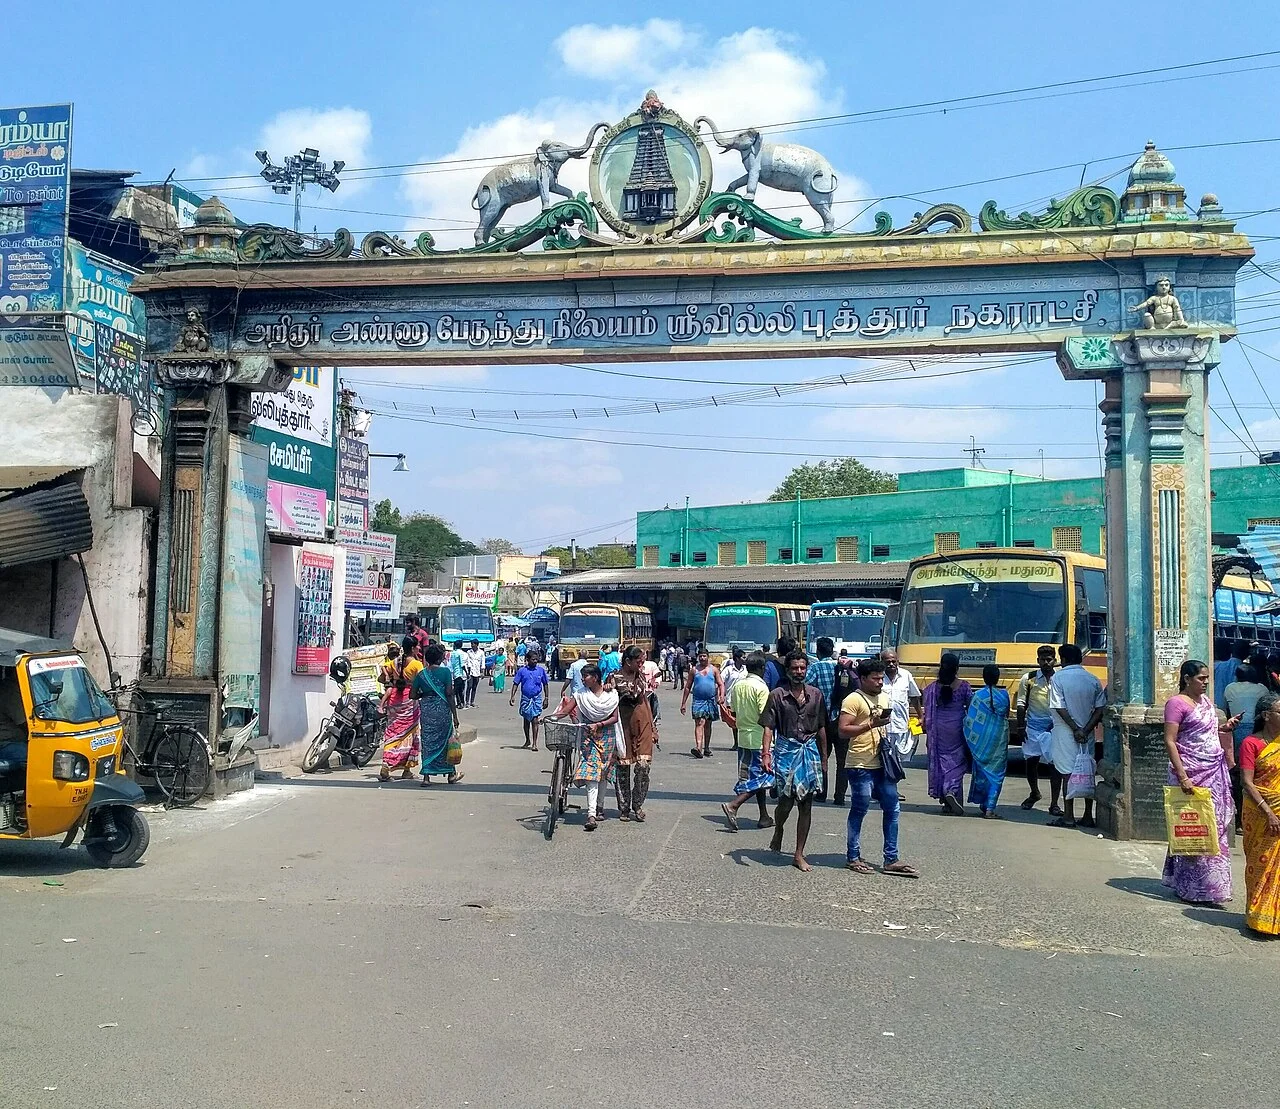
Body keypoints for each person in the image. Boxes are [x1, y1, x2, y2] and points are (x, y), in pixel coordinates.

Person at [1162, 659, 1239, 905]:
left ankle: (1213, 887)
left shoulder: (1206, 703)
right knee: (1192, 827)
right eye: (1201, 679)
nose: (1205, 683)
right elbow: (1170, 741)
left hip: (1212, 771)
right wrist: (1183, 775)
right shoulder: (1176, 704)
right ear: (1187, 678)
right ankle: (1189, 886)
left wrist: (1225, 728)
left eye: (1206, 679)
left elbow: (1210, 733)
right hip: (1190, 771)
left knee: (1215, 827)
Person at [840, 657, 919, 878]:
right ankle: (853, 856)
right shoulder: (853, 700)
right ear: (863, 678)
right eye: (875, 679)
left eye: (881, 678)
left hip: (882, 764)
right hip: (859, 764)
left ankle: (891, 858)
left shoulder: (884, 697)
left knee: (893, 809)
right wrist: (869, 724)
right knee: (860, 809)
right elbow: (843, 730)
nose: (880, 682)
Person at [761, 649, 829, 872]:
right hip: (785, 751)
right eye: (794, 668)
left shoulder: (816, 695)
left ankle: (798, 854)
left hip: (809, 752)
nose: (799, 672)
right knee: (786, 802)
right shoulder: (777, 695)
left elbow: (821, 728)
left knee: (806, 804)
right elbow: (769, 728)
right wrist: (766, 754)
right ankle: (779, 827)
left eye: (802, 668)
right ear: (788, 670)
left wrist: (825, 759)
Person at [549, 663, 617, 831]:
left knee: (603, 773)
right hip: (588, 736)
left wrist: (599, 724)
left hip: (607, 736)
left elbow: (615, 718)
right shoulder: (581, 695)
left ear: (594, 678)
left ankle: (600, 806)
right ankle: (591, 814)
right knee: (591, 774)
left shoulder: (611, 695)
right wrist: (552, 718)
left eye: (585, 676)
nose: (582, 680)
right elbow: (566, 710)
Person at [1047, 643, 1106, 829]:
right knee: (1087, 771)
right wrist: (1086, 729)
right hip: (1086, 732)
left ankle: (1068, 815)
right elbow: (1100, 708)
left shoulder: (1058, 678)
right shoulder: (1092, 679)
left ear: (1063, 659)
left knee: (1067, 773)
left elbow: (1059, 706)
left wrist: (1075, 729)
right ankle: (1088, 815)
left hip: (1066, 732)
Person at [1239, 692, 1280, 935]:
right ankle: (1259, 919)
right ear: (1266, 716)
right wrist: (1269, 813)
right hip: (1260, 813)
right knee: (1261, 865)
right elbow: (1247, 782)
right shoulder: (1251, 743)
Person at [720, 652, 774, 831]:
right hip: (760, 739)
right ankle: (734, 805)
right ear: (761, 668)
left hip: (743, 737)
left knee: (754, 778)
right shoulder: (761, 687)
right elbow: (765, 715)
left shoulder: (738, 685)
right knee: (767, 777)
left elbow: (733, 709)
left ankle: (764, 815)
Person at [923, 653, 972, 816]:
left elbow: (926, 706)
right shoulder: (964, 686)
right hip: (957, 728)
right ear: (957, 668)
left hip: (938, 728)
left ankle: (946, 801)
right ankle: (950, 790)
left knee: (941, 761)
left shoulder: (932, 688)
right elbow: (971, 707)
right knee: (957, 762)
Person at [611, 646, 657, 821]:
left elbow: (645, 701)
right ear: (628, 661)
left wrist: (653, 728)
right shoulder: (614, 678)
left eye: (643, 661)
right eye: (639, 661)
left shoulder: (642, 677)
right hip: (623, 726)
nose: (642, 664)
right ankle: (624, 808)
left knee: (643, 767)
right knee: (623, 768)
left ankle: (638, 805)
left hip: (643, 724)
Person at [1225, 663, 1269, 830]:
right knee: (1257, 772)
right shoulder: (1262, 689)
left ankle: (1238, 819)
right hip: (1257, 730)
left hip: (1238, 729)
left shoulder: (1230, 688)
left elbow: (1226, 710)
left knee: (1238, 773)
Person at [963, 664, 1010, 818]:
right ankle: (989, 808)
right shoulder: (1004, 695)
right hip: (999, 739)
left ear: (983, 677)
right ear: (998, 677)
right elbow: (1006, 714)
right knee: (997, 774)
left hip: (981, 742)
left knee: (983, 772)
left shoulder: (977, 696)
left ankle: (984, 804)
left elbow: (970, 719)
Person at [413, 643, 463, 786]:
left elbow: (412, 694)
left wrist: (425, 693)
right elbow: (448, 694)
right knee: (446, 741)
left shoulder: (421, 674)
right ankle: (451, 774)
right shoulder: (446, 672)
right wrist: (455, 715)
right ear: (440, 659)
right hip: (442, 711)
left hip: (427, 712)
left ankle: (426, 777)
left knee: (428, 742)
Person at [378, 636, 423, 781]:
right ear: (413, 648)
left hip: (394, 700)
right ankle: (406, 768)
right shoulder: (416, 664)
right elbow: (423, 681)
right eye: (417, 647)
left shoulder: (395, 662)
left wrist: (387, 676)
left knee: (392, 732)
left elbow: (384, 669)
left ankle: (387, 764)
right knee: (410, 735)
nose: (419, 649)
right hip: (410, 701)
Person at [806, 637, 837, 801]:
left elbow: (805, 686)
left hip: (821, 719)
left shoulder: (815, 667)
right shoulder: (840, 666)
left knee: (821, 755)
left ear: (818, 651)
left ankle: (821, 792)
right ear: (832, 651)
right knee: (842, 760)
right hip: (840, 717)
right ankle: (839, 796)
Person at [681, 647, 724, 759]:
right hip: (698, 700)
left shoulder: (714, 670)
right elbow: (687, 687)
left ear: (708, 657)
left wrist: (721, 696)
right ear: (698, 657)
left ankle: (707, 747)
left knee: (708, 724)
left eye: (704, 656)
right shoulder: (694, 670)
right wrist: (683, 703)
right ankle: (698, 747)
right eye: (700, 656)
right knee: (700, 722)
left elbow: (721, 684)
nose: (702, 658)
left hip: (710, 700)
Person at [880, 649, 922, 760]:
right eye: (887, 662)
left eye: (893, 661)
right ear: (882, 661)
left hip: (901, 726)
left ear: (898, 661)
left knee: (899, 761)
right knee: (884, 761)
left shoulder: (906, 675)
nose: (891, 664)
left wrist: (921, 716)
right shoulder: (878, 676)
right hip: (883, 727)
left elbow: (914, 697)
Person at [510, 648, 550, 751]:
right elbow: (515, 684)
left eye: (536, 659)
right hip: (525, 699)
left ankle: (534, 743)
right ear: (527, 660)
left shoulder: (541, 671)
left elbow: (545, 684)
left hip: (536, 698)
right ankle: (527, 740)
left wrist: (546, 698)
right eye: (533, 659)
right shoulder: (522, 671)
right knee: (526, 720)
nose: (535, 661)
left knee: (535, 720)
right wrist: (512, 696)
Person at [720, 647, 748, 749]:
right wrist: (721, 695)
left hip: (744, 701)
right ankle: (736, 743)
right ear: (737, 658)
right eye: (743, 657)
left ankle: (742, 743)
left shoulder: (746, 670)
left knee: (743, 722)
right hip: (731, 700)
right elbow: (720, 681)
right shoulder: (728, 670)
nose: (745, 659)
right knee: (734, 722)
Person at [463, 639, 486, 708]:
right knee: (469, 686)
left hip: (477, 672)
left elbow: (483, 662)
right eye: (471, 644)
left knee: (474, 687)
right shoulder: (468, 652)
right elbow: (467, 662)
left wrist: (482, 672)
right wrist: (467, 672)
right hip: (470, 672)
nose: (472, 645)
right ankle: (467, 701)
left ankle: (472, 701)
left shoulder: (481, 652)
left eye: (473, 644)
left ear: (476, 645)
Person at [449, 641, 467, 709]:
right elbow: (462, 664)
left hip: (454, 673)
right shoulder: (461, 653)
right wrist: (467, 673)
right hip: (460, 673)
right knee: (459, 690)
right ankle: (461, 703)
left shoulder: (452, 653)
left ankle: (459, 703)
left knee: (457, 690)